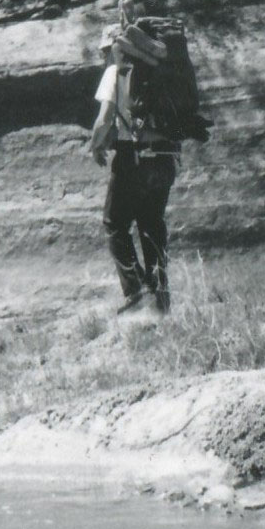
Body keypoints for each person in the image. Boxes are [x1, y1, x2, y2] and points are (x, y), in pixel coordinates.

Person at [87, 18, 195, 315]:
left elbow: (104, 119)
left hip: (132, 157)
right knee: (152, 226)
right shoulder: (159, 73)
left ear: (114, 48)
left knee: (115, 223)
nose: (103, 57)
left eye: (104, 51)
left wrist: (95, 146)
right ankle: (161, 299)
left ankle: (136, 292)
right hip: (165, 157)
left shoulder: (116, 71)